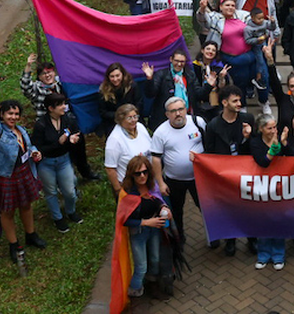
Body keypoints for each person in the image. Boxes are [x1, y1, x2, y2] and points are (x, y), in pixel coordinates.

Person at [0, 66, 46, 266]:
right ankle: (14, 245)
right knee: (7, 212)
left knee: (26, 205)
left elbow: (27, 146)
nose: (13, 117)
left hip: (24, 173)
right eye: (9, 114)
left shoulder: (21, 130)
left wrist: (34, 151)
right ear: (2, 115)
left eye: (16, 114)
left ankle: (31, 235)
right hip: (6, 177)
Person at [19, 53, 98, 180]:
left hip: (66, 122)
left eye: (50, 72)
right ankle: (61, 177)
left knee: (78, 144)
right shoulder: (37, 89)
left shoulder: (61, 85)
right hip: (49, 128)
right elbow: (25, 87)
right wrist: (28, 66)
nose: (48, 75)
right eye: (44, 74)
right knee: (57, 149)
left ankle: (85, 172)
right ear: (39, 77)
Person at [111, 155, 178, 302]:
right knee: (141, 267)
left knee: (154, 259)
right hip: (139, 233)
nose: (142, 176)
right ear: (131, 174)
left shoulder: (151, 186)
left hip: (154, 230)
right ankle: (134, 295)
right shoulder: (127, 193)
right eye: (138, 173)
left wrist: (163, 207)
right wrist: (146, 222)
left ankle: (152, 286)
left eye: (145, 172)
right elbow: (124, 220)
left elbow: (157, 201)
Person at [203, 84, 254, 256]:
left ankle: (251, 238)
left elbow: (254, 148)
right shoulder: (213, 125)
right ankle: (230, 240)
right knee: (228, 207)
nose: (239, 103)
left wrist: (247, 138)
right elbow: (209, 150)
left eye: (240, 100)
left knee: (248, 208)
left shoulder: (248, 119)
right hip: (224, 175)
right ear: (224, 103)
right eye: (235, 101)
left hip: (245, 172)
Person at [149, 96, 207, 247]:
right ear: (167, 114)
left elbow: (209, 144)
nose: (178, 114)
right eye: (173, 111)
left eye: (180, 109)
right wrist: (160, 183)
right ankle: (179, 237)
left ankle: (212, 235)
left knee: (206, 208)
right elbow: (156, 159)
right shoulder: (160, 133)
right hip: (174, 180)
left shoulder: (198, 122)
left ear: (186, 109)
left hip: (199, 178)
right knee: (176, 211)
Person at [30, 92, 82, 233]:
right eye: (60, 105)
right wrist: (58, 143)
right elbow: (38, 146)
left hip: (64, 160)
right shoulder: (41, 125)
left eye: (64, 103)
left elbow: (76, 132)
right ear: (50, 108)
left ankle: (71, 211)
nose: (64, 107)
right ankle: (57, 218)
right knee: (51, 191)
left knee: (70, 191)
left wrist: (73, 139)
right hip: (47, 163)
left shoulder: (68, 119)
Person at [248, 112, 288, 270]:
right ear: (261, 129)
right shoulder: (256, 143)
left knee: (278, 221)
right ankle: (263, 255)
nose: (273, 131)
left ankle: (279, 255)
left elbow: (289, 155)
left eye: (275, 127)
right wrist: (273, 149)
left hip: (279, 188)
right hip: (262, 188)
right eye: (269, 128)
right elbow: (262, 162)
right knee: (263, 221)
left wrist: (283, 143)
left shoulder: (279, 138)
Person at [104, 103, 152, 194]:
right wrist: (119, 190)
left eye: (135, 116)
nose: (134, 120)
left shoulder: (140, 127)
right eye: (129, 118)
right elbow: (110, 169)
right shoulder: (114, 140)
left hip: (147, 180)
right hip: (129, 186)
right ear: (120, 119)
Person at [98, 62, 140, 136]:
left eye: (117, 75)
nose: (115, 79)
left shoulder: (132, 87)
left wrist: (129, 116)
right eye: (112, 76)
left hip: (132, 121)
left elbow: (139, 104)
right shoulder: (103, 91)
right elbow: (103, 112)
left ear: (123, 74)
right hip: (113, 123)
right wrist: (120, 116)